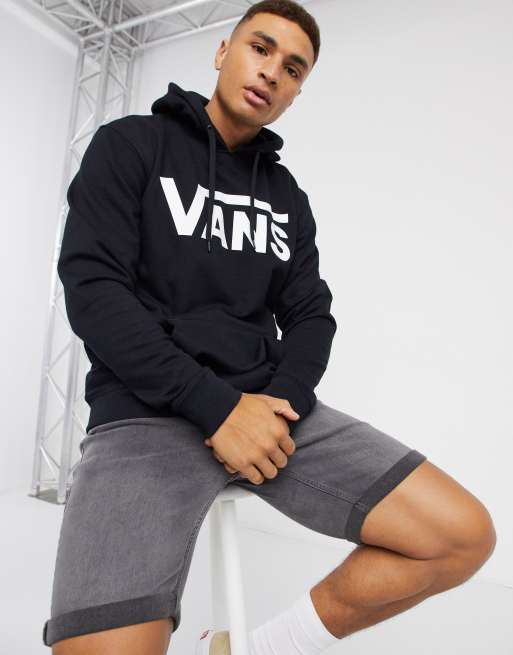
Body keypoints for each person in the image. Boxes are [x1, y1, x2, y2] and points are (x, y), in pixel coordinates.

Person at [42, 1, 497, 653]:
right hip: (144, 413)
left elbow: (311, 313)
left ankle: (253, 648)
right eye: (260, 48)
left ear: (296, 91)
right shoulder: (131, 145)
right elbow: (94, 291)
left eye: (293, 68)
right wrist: (215, 407)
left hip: (270, 415)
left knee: (461, 536)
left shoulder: (285, 196)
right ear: (222, 51)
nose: (271, 72)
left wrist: (278, 404)